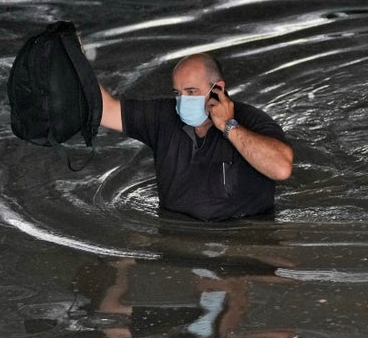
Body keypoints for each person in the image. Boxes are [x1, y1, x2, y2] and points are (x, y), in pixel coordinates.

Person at [98, 52, 293, 221]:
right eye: (178, 93)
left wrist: (228, 126)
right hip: (176, 236)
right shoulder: (164, 117)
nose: (184, 101)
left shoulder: (251, 120)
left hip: (240, 241)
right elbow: (106, 111)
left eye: (191, 92)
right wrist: (72, 53)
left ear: (218, 89)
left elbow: (281, 168)